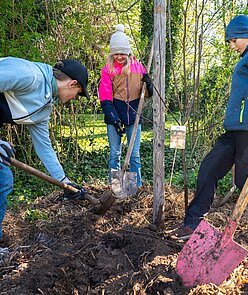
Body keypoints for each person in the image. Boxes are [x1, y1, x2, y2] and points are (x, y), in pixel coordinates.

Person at [173, 15, 248, 240]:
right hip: (235, 130)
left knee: (243, 179)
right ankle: (193, 222)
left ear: (246, 34)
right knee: (209, 167)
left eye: (234, 40)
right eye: (230, 41)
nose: (232, 45)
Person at [0, 57, 90, 244]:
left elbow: (44, 146)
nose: (74, 99)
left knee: (3, 180)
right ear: (72, 84)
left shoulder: (44, 107)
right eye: (77, 93)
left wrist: (65, 182)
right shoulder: (29, 75)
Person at [98, 24, 153, 187]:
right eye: (116, 54)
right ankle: (115, 187)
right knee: (115, 154)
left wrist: (149, 85)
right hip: (114, 115)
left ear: (128, 52)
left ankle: (136, 188)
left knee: (134, 155)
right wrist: (114, 119)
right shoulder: (108, 69)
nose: (119, 57)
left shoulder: (139, 68)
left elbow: (148, 94)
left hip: (134, 117)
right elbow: (105, 97)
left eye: (122, 53)